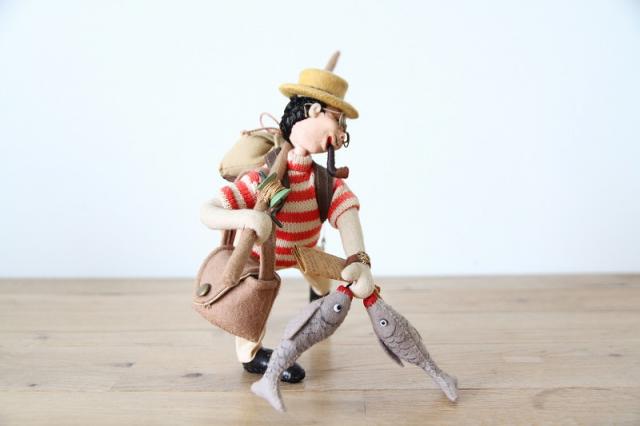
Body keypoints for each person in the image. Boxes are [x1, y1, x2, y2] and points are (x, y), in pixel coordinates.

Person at [200, 54, 375, 383]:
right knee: (252, 303)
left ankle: (318, 302)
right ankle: (251, 355)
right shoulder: (262, 177)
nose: (342, 134)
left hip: (305, 252)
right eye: (338, 121)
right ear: (314, 110)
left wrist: (360, 261)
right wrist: (248, 218)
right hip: (260, 259)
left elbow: (347, 214)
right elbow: (208, 211)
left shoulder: (324, 181)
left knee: (320, 279)